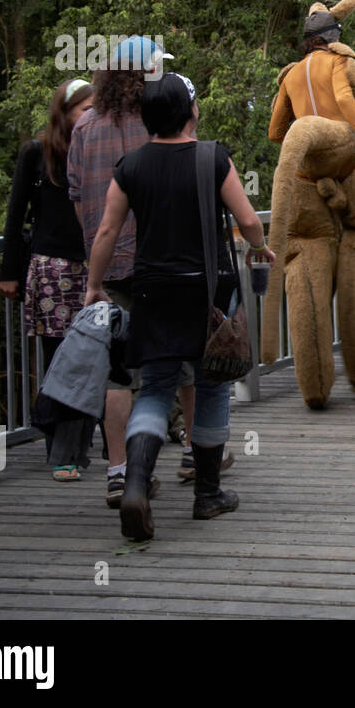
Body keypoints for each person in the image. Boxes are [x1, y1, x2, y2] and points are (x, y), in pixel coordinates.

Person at [85, 72, 275, 541]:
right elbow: (248, 218)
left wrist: (93, 285)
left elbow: (107, 232)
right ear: (191, 112)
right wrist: (259, 247)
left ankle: (134, 485)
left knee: (153, 389)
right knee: (210, 388)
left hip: (152, 291)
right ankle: (207, 495)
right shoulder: (212, 157)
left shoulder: (130, 166)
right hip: (206, 291)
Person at [69, 36, 192, 507]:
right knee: (180, 359)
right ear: (144, 75)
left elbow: (78, 197)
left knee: (117, 371)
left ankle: (118, 471)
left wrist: (93, 273)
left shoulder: (84, 127)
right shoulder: (157, 126)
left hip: (109, 266)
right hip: (163, 262)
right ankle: (195, 457)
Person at [0, 78, 96, 481]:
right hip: (52, 268)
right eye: (83, 108)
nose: (90, 115)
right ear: (65, 111)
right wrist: (9, 271)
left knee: (92, 359)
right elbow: (16, 211)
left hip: (92, 266)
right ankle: (59, 449)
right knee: (59, 359)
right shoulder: (36, 153)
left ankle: (79, 446)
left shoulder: (95, 147)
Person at [271, 0, 355, 167]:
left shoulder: (289, 74)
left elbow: (274, 134)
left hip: (308, 162)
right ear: (332, 35)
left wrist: (303, 144)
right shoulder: (337, 61)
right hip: (339, 153)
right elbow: (343, 98)